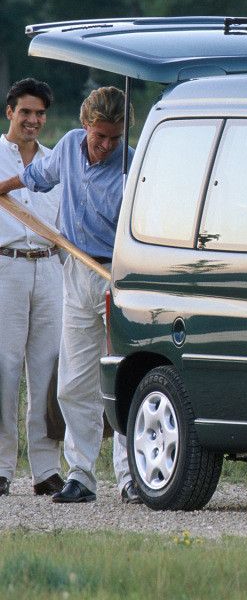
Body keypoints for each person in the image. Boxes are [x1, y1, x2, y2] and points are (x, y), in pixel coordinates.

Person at [0, 86, 137, 504]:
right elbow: (35, 178)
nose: (106, 146)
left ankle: (132, 477)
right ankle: (82, 476)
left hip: (120, 276)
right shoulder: (69, 147)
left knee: (123, 378)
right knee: (72, 384)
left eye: (114, 138)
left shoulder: (132, 166)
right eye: (100, 137)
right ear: (85, 126)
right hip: (76, 271)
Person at [0, 78, 64, 497]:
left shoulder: (55, 160)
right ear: (10, 112)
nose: (33, 120)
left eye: (39, 113)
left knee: (48, 370)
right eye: (25, 112)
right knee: (4, 369)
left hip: (49, 267)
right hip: (6, 266)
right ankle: (2, 468)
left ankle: (45, 470)